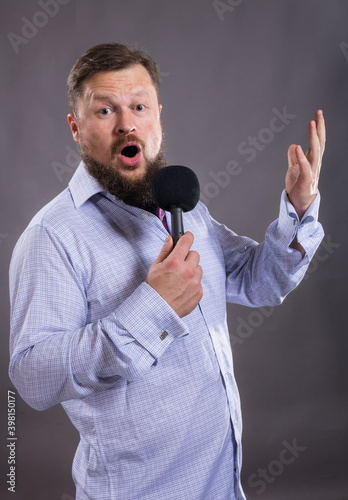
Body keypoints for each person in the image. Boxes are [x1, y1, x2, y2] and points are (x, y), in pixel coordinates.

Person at [9, 43, 325, 500]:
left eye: (139, 106)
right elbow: (32, 376)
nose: (126, 123)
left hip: (221, 485)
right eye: (105, 110)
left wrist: (298, 209)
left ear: (158, 116)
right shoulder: (53, 237)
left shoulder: (185, 209)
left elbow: (260, 280)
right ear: (76, 128)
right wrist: (152, 308)